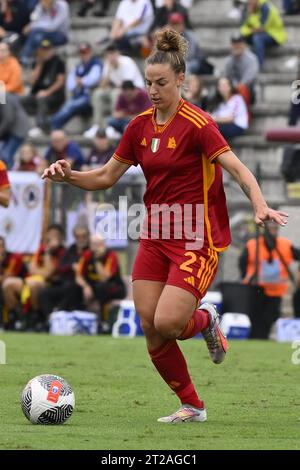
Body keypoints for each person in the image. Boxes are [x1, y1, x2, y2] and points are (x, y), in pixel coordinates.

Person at [42, 27, 288, 423]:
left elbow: (238, 169)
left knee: (170, 322)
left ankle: (206, 319)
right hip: (155, 235)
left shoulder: (199, 124)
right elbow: (106, 177)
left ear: (180, 81)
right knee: (150, 326)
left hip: (196, 236)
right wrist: (67, 176)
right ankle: (193, 406)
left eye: (161, 83)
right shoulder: (138, 126)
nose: (153, 90)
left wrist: (259, 204)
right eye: (148, 83)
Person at [239, 222, 300, 339]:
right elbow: (242, 262)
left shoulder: (285, 244)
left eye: (276, 229)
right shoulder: (253, 245)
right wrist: (246, 277)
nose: (274, 231)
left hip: (276, 290)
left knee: (270, 318)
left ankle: (262, 339)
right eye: (271, 229)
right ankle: (254, 339)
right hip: (256, 289)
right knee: (255, 318)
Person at [240, 0, 287, 69]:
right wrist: (250, 29)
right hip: (258, 33)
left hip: (274, 34)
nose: (249, 1)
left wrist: (251, 15)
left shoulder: (265, 7)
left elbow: (261, 27)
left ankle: (258, 67)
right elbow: (243, 29)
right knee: (240, 38)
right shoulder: (247, 7)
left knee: (257, 38)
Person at [210, 77, 249, 141]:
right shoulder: (219, 102)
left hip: (238, 126)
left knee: (214, 130)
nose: (223, 88)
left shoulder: (237, 99)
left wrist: (213, 118)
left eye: (225, 85)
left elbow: (230, 119)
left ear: (230, 87)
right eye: (220, 86)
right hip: (225, 125)